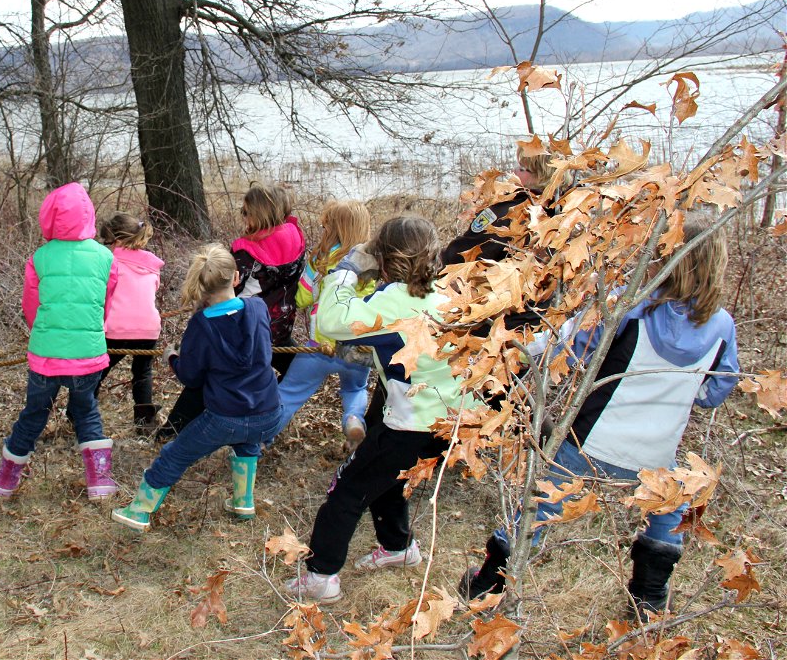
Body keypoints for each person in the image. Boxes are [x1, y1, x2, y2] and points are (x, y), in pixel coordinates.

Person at [459, 210, 739, 619]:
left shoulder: (629, 304)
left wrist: (512, 351)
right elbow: (715, 392)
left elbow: (567, 346)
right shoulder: (722, 326)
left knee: (537, 510)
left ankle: (487, 586)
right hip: (655, 453)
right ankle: (648, 599)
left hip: (589, 444)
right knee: (668, 514)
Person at [285, 216, 476, 603]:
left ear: (383, 261)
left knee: (348, 489)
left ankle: (321, 576)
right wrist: (374, 352)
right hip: (455, 419)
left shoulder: (391, 302)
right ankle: (397, 547)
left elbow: (335, 320)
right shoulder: (449, 292)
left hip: (413, 423)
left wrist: (347, 271)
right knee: (388, 477)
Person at [111, 245, 282, 530]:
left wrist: (173, 358)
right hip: (269, 413)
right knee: (247, 441)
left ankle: (138, 511)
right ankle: (243, 502)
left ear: (200, 286)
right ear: (237, 277)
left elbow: (191, 378)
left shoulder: (201, 326)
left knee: (176, 454)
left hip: (226, 417)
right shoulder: (257, 307)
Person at [0, 182, 119, 500]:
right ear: (89, 216)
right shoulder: (106, 257)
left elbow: (30, 306)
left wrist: (45, 331)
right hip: (87, 353)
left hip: (46, 354)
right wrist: (91, 329)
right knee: (87, 411)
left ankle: (5, 481)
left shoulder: (40, 257)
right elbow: (105, 302)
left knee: (34, 414)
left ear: (49, 217)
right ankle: (100, 482)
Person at [156, 182, 306, 438]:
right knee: (300, 371)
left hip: (242, 330)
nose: (242, 216)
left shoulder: (247, 254)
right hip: (278, 328)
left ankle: (172, 430)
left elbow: (223, 290)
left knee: (210, 374)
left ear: (259, 214)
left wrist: (200, 311)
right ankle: (260, 408)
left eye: (246, 212)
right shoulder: (297, 241)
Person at [274, 199, 375, 448]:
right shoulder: (372, 261)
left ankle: (261, 438)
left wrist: (291, 297)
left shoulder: (321, 258)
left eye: (326, 226)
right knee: (355, 389)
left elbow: (303, 296)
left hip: (320, 345)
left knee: (289, 392)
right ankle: (353, 419)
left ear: (333, 228)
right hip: (356, 346)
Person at [95, 212, 164, 436]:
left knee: (97, 370)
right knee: (142, 373)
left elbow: (102, 296)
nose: (106, 246)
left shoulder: (109, 262)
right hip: (148, 328)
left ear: (118, 240)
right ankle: (145, 424)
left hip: (117, 328)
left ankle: (78, 414)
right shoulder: (153, 264)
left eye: (107, 242)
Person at [441, 149, 554, 266]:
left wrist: (434, 259)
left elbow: (463, 254)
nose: (514, 171)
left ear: (541, 177)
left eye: (522, 169)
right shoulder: (565, 213)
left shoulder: (506, 212)